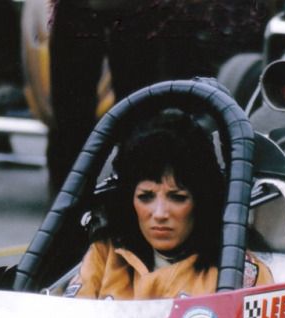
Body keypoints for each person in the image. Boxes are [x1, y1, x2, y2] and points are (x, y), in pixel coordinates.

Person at [47, 0, 269, 193]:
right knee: (74, 117)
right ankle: (70, 205)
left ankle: (130, 194)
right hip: (85, 12)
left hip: (140, 14)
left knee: (138, 112)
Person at [62, 110, 273, 299]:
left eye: (178, 197)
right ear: (129, 201)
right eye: (145, 197)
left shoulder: (237, 270)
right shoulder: (105, 254)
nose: (160, 213)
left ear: (201, 201)